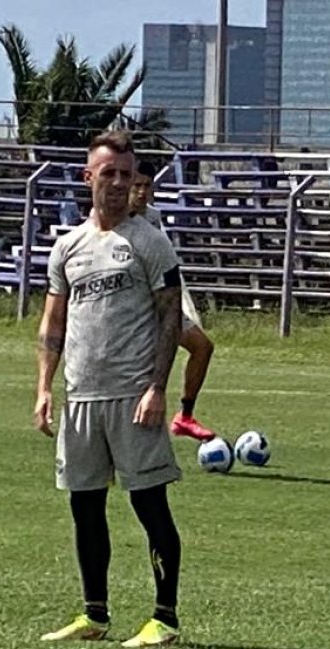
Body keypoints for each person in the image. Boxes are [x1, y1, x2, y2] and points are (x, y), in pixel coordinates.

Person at [35, 131, 186, 647]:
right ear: (89, 178)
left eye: (127, 174)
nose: (119, 183)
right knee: (84, 506)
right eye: (110, 173)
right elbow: (53, 324)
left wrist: (157, 386)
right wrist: (44, 388)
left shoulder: (149, 242)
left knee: (149, 507)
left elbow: (171, 318)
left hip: (133, 397)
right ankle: (93, 614)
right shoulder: (68, 247)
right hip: (82, 397)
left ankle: (164, 618)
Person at [129, 162, 217, 442]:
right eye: (137, 185)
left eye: (147, 186)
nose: (142, 192)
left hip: (164, 305)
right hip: (136, 309)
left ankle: (185, 416)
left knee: (202, 347)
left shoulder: (153, 218)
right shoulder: (119, 223)